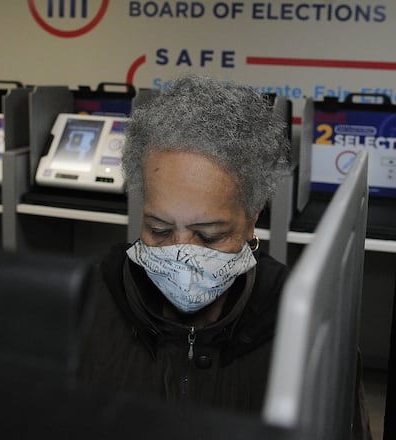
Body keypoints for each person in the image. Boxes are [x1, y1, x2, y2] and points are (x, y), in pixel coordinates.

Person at [78, 74, 291, 414]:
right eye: (159, 229)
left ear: (252, 219)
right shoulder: (90, 304)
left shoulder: (296, 321)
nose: (181, 255)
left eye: (209, 235)